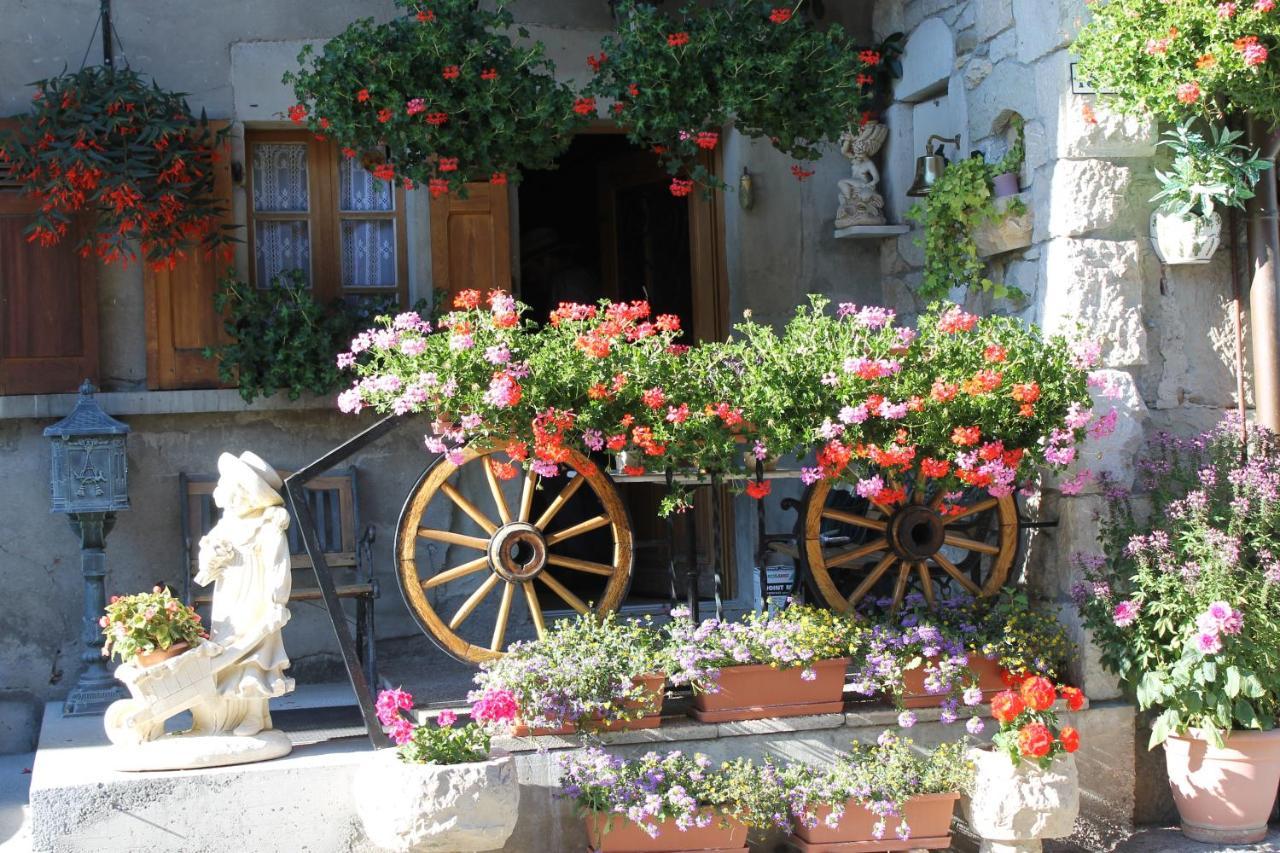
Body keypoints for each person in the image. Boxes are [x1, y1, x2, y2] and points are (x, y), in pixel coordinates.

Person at [192, 451, 295, 736]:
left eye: (241, 493)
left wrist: (276, 602)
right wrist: (212, 559)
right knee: (230, 650)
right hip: (229, 599)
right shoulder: (226, 526)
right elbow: (207, 566)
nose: (234, 499)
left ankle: (255, 714)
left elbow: (278, 566)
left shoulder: (267, 526)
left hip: (257, 598)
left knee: (255, 655)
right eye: (230, 492)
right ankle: (238, 713)